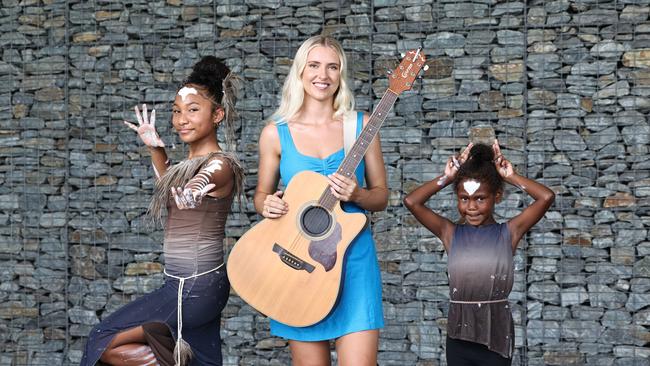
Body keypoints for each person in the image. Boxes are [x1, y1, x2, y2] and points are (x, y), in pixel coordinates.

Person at [80, 56, 243, 366]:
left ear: (217, 114)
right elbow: (171, 184)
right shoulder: (184, 167)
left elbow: (202, 182)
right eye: (176, 111)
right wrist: (155, 148)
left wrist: (194, 193)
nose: (182, 119)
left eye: (193, 110)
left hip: (194, 287)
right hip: (196, 287)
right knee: (205, 361)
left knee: (102, 339)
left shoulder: (221, 164)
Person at [254, 35, 387, 365]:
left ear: (340, 75)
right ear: (300, 72)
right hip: (302, 266)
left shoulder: (362, 125)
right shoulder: (275, 132)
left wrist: (356, 194)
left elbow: (382, 196)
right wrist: (265, 205)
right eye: (313, 65)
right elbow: (261, 194)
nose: (322, 75)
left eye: (332, 67)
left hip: (354, 262)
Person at [403, 141, 555, 366]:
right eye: (464, 198)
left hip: (496, 336)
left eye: (480, 198)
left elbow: (546, 197)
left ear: (497, 196)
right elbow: (411, 201)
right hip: (458, 339)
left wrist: (510, 176)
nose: (471, 207)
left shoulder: (508, 233)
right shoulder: (450, 233)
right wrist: (448, 177)